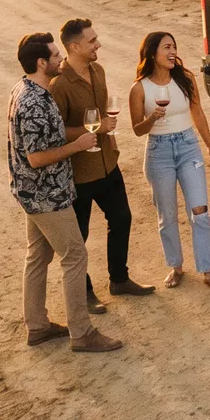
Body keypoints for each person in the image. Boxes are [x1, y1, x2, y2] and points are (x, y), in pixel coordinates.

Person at [7, 32, 121, 353]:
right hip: (47, 195)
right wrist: (78, 145)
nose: (60, 59)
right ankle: (81, 333)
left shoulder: (26, 90)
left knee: (38, 256)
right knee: (75, 256)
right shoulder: (33, 102)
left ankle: (37, 327)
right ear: (41, 62)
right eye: (55, 56)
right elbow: (36, 157)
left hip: (33, 193)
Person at [49, 18, 154, 313]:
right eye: (92, 41)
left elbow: (104, 112)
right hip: (79, 173)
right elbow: (55, 132)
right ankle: (83, 293)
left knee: (121, 219)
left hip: (108, 162)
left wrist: (108, 131)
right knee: (79, 236)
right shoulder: (59, 85)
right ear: (74, 47)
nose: (98, 44)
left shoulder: (99, 70)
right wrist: (91, 129)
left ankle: (119, 280)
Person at [130, 30, 210, 291]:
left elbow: (197, 111)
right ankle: (176, 267)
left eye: (174, 46)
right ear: (152, 54)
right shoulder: (139, 88)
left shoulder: (186, 78)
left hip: (188, 147)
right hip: (158, 151)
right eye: (166, 47)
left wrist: (209, 145)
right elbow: (137, 129)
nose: (173, 52)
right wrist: (152, 119)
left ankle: (208, 271)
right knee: (167, 215)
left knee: (200, 210)